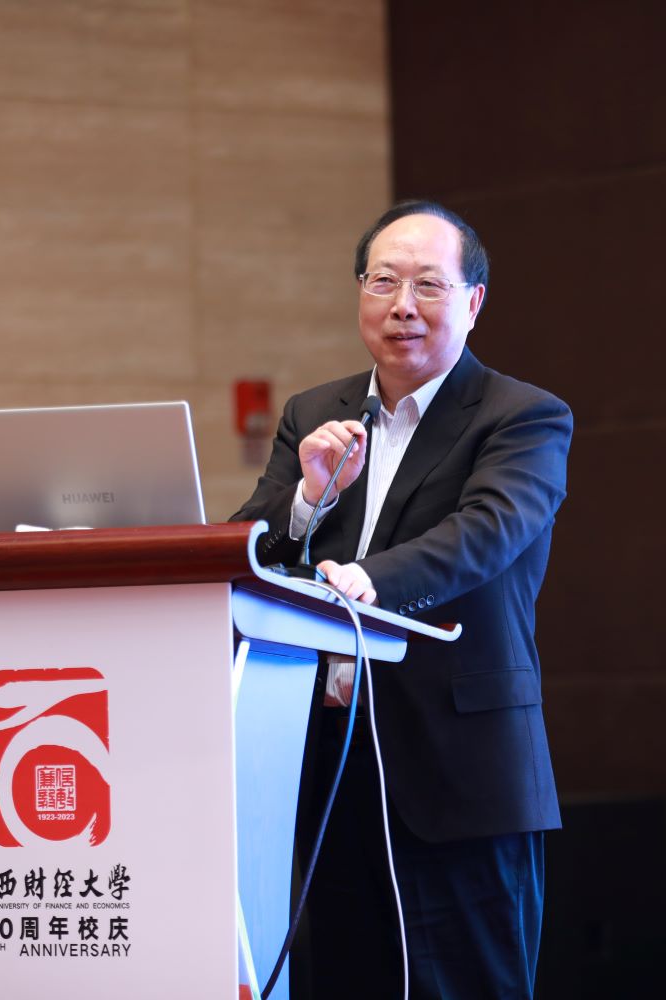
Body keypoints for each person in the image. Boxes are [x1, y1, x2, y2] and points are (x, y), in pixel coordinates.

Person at [233, 201, 571, 999]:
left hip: (458, 772)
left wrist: (370, 581)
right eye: (382, 282)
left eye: (428, 285)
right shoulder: (314, 415)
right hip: (326, 763)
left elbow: (484, 534)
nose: (402, 306)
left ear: (473, 301)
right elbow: (246, 547)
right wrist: (306, 502)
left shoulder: (522, 417)